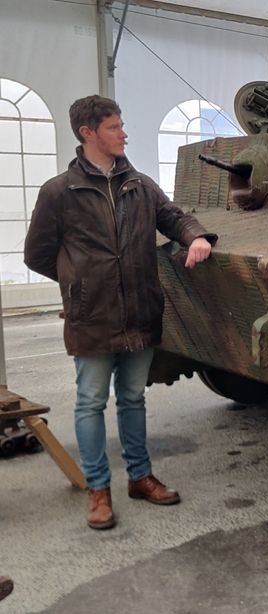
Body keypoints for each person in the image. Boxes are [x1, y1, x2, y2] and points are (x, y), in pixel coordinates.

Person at [24, 95, 217, 530]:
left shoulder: (139, 184)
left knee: (132, 398)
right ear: (87, 133)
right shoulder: (59, 192)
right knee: (90, 403)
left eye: (122, 125)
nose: (124, 133)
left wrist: (198, 237)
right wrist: (81, 283)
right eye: (114, 127)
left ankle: (140, 477)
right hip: (92, 316)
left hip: (140, 310)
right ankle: (98, 489)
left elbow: (172, 216)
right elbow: (37, 254)